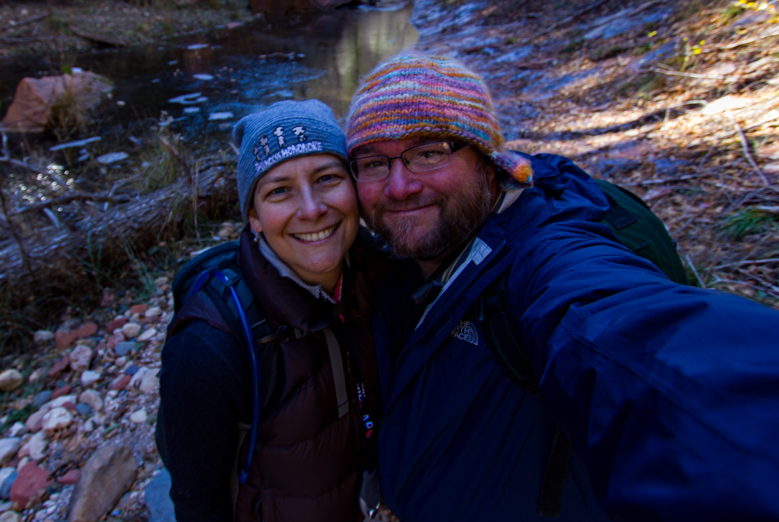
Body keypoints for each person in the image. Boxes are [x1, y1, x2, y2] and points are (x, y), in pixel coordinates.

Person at [344, 51, 779, 522]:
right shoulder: (398, 259)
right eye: (372, 163)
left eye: (429, 153)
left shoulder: (545, 257)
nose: (400, 186)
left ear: (489, 163)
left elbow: (624, 333)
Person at [157, 100, 393, 522]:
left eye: (327, 178)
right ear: (254, 216)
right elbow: (198, 505)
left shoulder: (382, 274)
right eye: (279, 190)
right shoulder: (209, 346)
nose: (311, 208)